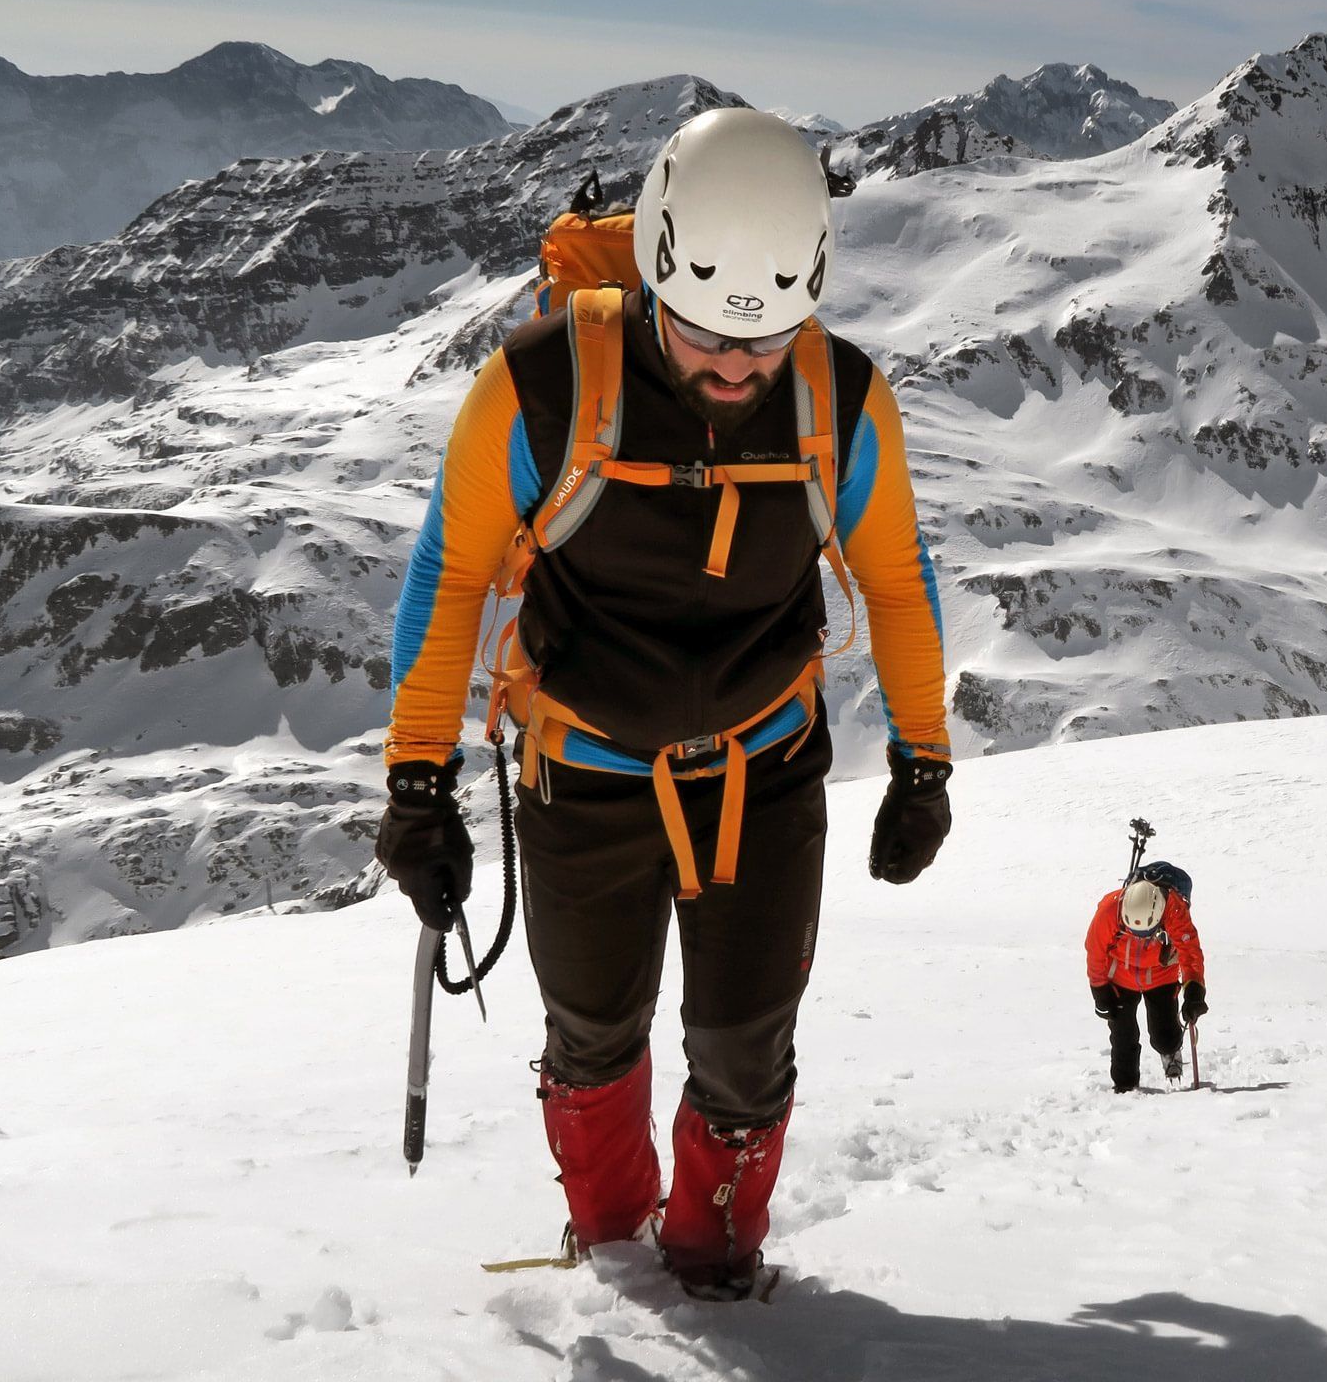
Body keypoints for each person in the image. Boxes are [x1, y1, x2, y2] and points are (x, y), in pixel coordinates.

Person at [372, 108, 954, 1299]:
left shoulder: (840, 400)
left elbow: (896, 580)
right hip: (579, 772)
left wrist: (924, 761)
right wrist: (416, 780)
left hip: (763, 769)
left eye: (768, 337)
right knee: (592, 1038)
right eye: (705, 336)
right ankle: (618, 1246)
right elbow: (450, 575)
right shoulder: (539, 386)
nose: (738, 366)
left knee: (747, 1051)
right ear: (653, 276)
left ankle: (715, 1255)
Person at [1086, 861, 1208, 1092]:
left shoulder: (1174, 909)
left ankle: (1171, 1051)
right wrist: (1100, 991)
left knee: (1164, 1032)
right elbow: (1095, 950)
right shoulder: (1109, 909)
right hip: (1120, 975)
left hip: (1161, 974)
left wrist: (1194, 990)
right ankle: (1125, 1087)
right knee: (1123, 1036)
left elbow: (1190, 952)